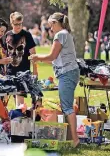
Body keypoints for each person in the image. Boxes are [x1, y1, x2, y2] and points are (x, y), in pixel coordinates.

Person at [30, 12, 80, 147]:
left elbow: (51, 56)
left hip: (67, 74)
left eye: (51, 25)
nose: (50, 29)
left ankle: (75, 140)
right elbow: (55, 60)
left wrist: (37, 57)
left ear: (56, 23)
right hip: (70, 73)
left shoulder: (60, 35)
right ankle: (70, 136)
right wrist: (39, 59)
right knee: (66, 106)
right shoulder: (65, 34)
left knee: (67, 107)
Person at [4, 12, 38, 108]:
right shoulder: (7, 35)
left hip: (23, 71)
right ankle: (15, 118)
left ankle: (20, 119)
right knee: (10, 97)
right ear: (11, 23)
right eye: (16, 24)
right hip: (10, 71)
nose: (19, 26)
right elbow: (4, 53)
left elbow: (33, 54)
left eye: (20, 24)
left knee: (20, 99)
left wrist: (35, 70)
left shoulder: (26, 35)